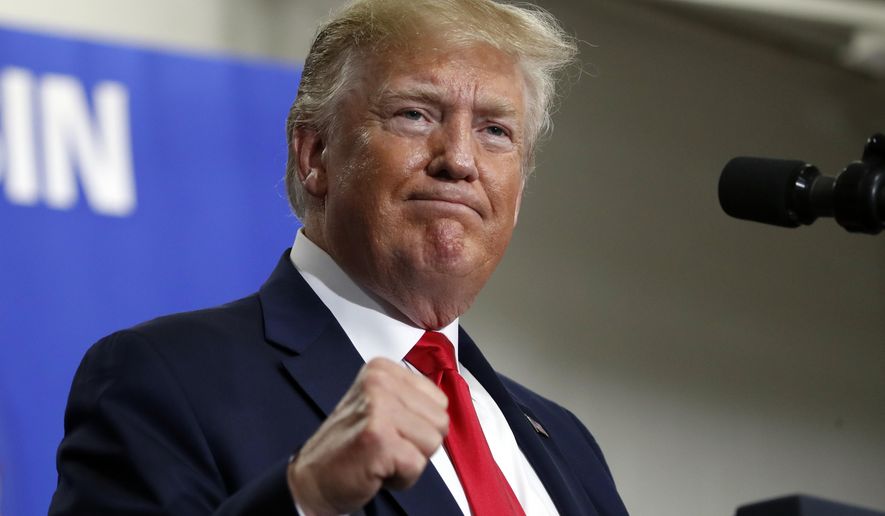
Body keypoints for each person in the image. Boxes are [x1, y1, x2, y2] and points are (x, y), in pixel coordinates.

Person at [50, 0, 628, 514]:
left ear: (520, 189)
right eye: (416, 114)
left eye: (495, 131)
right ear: (315, 154)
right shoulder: (163, 378)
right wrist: (307, 497)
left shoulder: (565, 440)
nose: (459, 159)